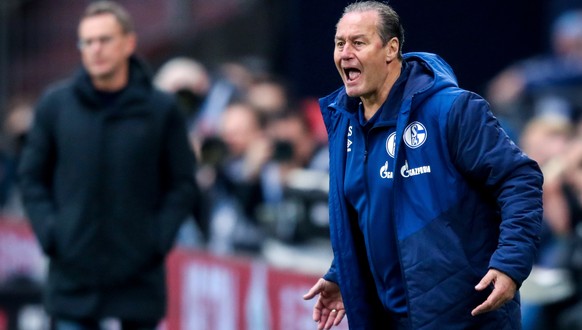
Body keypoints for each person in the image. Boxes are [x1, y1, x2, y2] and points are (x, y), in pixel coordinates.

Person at [302, 2, 544, 329]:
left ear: (391, 49)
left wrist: (510, 264)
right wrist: (343, 272)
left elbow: (519, 179)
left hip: (465, 317)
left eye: (358, 42)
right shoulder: (345, 122)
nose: (345, 53)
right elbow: (372, 213)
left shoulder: (452, 110)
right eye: (339, 43)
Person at [17, 1, 197, 329]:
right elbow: (31, 177)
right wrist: (52, 233)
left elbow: (182, 183)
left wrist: (158, 238)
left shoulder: (161, 109)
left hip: (139, 277)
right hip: (73, 276)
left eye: (104, 39)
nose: (95, 49)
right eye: (87, 42)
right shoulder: (56, 105)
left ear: (128, 42)